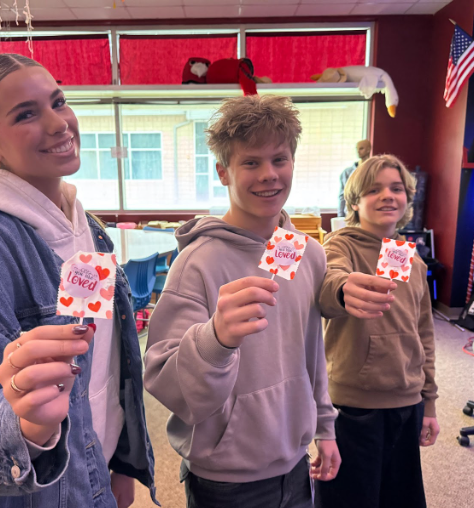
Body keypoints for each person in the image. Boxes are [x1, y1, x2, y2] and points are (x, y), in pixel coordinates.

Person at [0, 54, 156, 508]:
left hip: (89, 475)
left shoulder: (88, 230)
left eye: (58, 102)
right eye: (25, 114)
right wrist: (27, 424)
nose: (58, 123)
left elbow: (102, 365)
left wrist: (116, 462)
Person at [144, 95, 341, 508]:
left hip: (295, 461)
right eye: (251, 162)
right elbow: (163, 378)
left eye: (280, 159)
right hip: (227, 478)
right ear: (223, 172)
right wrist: (214, 338)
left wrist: (325, 426)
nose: (269, 175)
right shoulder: (195, 263)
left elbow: (311, 350)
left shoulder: (307, 251)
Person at [317, 154, 439, 508]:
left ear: (407, 198)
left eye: (396, 188)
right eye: (374, 189)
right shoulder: (340, 245)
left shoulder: (410, 260)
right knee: (350, 498)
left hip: (407, 400)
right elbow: (329, 280)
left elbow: (424, 334)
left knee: (400, 498)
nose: (388, 195)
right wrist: (344, 289)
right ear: (354, 202)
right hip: (354, 404)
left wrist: (429, 402)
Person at [337, 139, 371, 217]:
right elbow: (342, 196)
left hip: (370, 214)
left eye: (361, 148)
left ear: (368, 149)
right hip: (350, 214)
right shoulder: (347, 172)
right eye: (357, 149)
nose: (358, 151)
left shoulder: (377, 171)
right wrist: (340, 215)